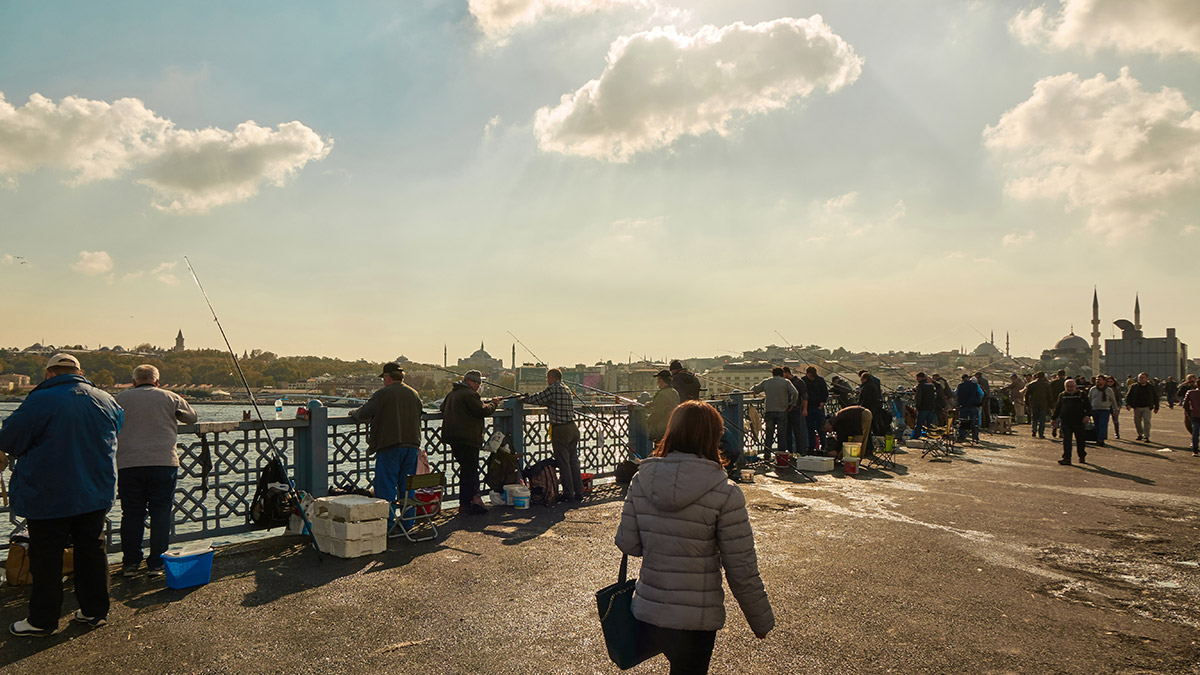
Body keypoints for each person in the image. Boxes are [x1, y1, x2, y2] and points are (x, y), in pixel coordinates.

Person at [614, 400, 774, 673]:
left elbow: (628, 544)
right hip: (696, 620)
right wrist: (760, 622)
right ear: (714, 437)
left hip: (649, 611)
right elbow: (741, 569)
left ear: (671, 432)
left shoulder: (641, 479)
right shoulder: (725, 492)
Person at [0, 354, 123, 636]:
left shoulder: (41, 400)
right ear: (79, 372)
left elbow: (10, 439)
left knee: (47, 555)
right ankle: (94, 611)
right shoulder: (105, 398)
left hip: (49, 492)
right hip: (95, 489)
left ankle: (42, 620)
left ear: (49, 374)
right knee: (92, 550)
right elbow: (116, 428)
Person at [114, 364, 197, 577]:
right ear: (157, 381)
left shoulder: (120, 398)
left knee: (132, 514)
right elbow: (191, 418)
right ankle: (157, 563)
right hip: (163, 463)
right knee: (160, 514)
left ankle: (131, 563)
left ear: (134, 382)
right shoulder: (170, 397)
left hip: (129, 463)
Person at [350, 362, 423, 530]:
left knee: (386, 486)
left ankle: (387, 524)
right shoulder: (414, 393)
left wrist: (354, 414)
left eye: (384, 378)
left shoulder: (383, 394)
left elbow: (364, 412)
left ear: (388, 377)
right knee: (407, 487)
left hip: (390, 444)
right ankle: (407, 523)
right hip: (412, 445)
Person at [440, 370, 500, 515]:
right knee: (470, 471)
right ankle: (466, 503)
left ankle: (472, 499)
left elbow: (442, 408)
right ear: (469, 381)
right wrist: (493, 404)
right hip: (467, 439)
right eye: (477, 383)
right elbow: (482, 411)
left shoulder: (452, 394)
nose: (478, 385)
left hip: (453, 437)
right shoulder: (469, 394)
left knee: (468, 470)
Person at [524, 368, 584, 502]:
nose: (547, 381)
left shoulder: (554, 389)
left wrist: (525, 398)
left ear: (551, 377)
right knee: (573, 462)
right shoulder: (566, 389)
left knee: (564, 463)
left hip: (561, 429)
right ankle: (579, 492)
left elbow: (538, 398)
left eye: (548, 378)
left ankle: (568, 493)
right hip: (573, 428)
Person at [751, 368, 798, 455]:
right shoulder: (786, 382)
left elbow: (754, 390)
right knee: (781, 435)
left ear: (772, 374)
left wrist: (754, 388)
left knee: (769, 435)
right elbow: (795, 393)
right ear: (782, 374)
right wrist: (791, 404)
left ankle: (767, 454)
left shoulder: (766, 382)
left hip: (769, 411)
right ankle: (781, 456)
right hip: (782, 411)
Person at [1053, 378, 1092, 465]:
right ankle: (1067, 458)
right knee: (1066, 441)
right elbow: (1058, 408)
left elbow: (1088, 407)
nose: (1070, 388)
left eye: (1072, 386)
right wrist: (1054, 418)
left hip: (1079, 421)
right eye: (1068, 387)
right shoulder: (1062, 395)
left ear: (1075, 386)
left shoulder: (1082, 395)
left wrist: (1087, 416)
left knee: (1080, 440)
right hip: (1066, 422)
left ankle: (1081, 456)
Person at [645, 369, 680, 444]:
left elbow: (658, 412)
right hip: (672, 427)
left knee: (660, 451)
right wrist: (652, 403)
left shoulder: (662, 394)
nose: (657, 382)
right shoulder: (674, 392)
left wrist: (649, 420)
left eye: (658, 379)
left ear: (661, 380)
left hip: (661, 429)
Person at [781, 366, 808, 455]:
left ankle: (800, 450)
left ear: (786, 373)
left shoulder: (799, 382)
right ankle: (790, 450)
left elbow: (804, 396)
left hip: (796, 409)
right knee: (787, 431)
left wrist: (804, 409)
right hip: (785, 410)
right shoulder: (784, 383)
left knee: (797, 431)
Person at [1125, 372, 1159, 442]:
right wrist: (1128, 404)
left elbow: (1155, 397)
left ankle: (1146, 436)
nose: (1140, 379)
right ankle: (1140, 434)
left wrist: (1156, 407)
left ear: (1147, 379)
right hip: (1137, 407)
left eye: (1142, 378)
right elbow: (1128, 396)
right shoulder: (1134, 386)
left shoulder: (1151, 387)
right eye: (1139, 378)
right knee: (1137, 422)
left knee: (1147, 422)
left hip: (1147, 407)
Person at [803, 366, 828, 453]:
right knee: (810, 429)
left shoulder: (820, 380)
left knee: (821, 428)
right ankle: (811, 447)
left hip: (818, 407)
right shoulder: (804, 381)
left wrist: (822, 402)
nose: (811, 378)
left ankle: (824, 446)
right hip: (808, 407)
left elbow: (825, 392)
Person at [1087, 374, 1116, 448]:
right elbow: (1089, 399)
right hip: (1095, 409)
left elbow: (1113, 400)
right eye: (1097, 379)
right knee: (1097, 425)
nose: (1097, 381)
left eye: (1099, 379)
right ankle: (1098, 439)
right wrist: (1087, 410)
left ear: (1104, 381)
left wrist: (1116, 409)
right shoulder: (1093, 389)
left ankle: (1101, 440)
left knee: (1103, 424)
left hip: (1105, 410)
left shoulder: (1108, 390)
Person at [1023, 372, 1053, 439]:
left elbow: (1026, 395)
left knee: (1034, 418)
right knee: (1042, 419)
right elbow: (1050, 396)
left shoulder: (1031, 384)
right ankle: (1041, 433)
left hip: (1034, 403)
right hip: (1043, 404)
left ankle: (1034, 431)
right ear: (1043, 377)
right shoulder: (1047, 385)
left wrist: (1027, 403)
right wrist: (1051, 405)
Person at [955, 374, 983, 442]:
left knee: (963, 421)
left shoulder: (960, 386)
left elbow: (955, 393)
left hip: (963, 406)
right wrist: (978, 400)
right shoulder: (975, 385)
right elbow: (981, 393)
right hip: (973, 405)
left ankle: (962, 436)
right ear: (968, 378)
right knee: (974, 422)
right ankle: (975, 437)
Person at [912, 372, 938, 439]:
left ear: (921, 378)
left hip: (923, 408)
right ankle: (930, 436)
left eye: (917, 377)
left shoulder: (921, 386)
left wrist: (917, 406)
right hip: (931, 407)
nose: (916, 379)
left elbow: (918, 397)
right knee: (930, 424)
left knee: (919, 424)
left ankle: (916, 436)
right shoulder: (931, 385)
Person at [1182, 384, 1200, 457]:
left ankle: (1195, 450)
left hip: (1195, 415)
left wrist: (1189, 413)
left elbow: (1185, 405)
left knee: (1195, 432)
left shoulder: (1191, 393)